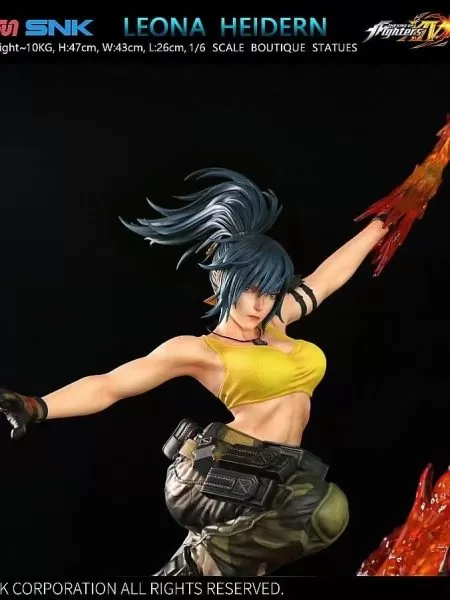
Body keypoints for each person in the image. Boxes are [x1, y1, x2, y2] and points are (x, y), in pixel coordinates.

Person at [1, 122, 449, 577]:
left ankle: (202, 566)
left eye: (269, 291)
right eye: (249, 290)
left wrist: (396, 212)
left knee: (312, 517)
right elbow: (110, 385)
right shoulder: (202, 350)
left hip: (277, 475)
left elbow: (331, 274)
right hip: (215, 473)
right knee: (325, 509)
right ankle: (191, 568)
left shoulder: (278, 317)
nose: (259, 304)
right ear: (222, 280)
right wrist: (38, 406)